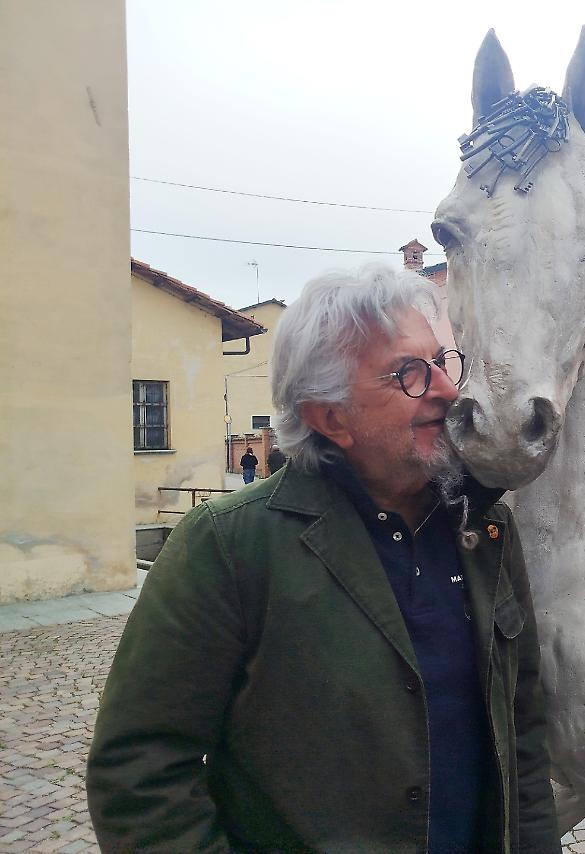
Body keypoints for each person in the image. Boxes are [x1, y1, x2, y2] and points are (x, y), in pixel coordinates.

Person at [87, 265, 559, 853]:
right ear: (329, 417)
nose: (444, 389)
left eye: (442, 361)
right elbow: (140, 769)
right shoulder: (231, 546)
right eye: (407, 374)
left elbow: (523, 736)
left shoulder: (484, 527)